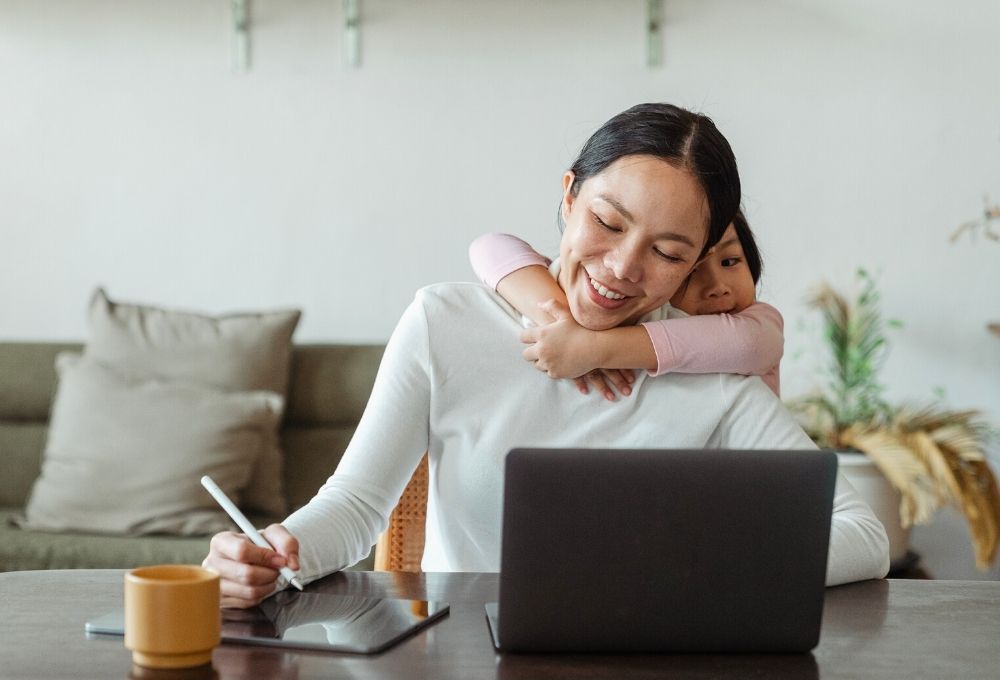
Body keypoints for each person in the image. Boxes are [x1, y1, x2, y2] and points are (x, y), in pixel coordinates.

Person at [204, 103, 890, 608]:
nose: (622, 268)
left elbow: (863, 535)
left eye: (668, 252)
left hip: (647, 674)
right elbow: (355, 508)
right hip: (462, 668)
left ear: (697, 264)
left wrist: (705, 564)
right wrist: (271, 552)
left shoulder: (713, 376)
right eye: (608, 222)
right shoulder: (446, 323)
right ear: (567, 197)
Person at [468, 210, 783, 399]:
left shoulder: (758, 323)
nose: (718, 287)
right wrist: (561, 323)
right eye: (692, 272)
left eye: (731, 261)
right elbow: (490, 246)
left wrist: (594, 347)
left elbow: (747, 344)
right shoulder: (630, 309)